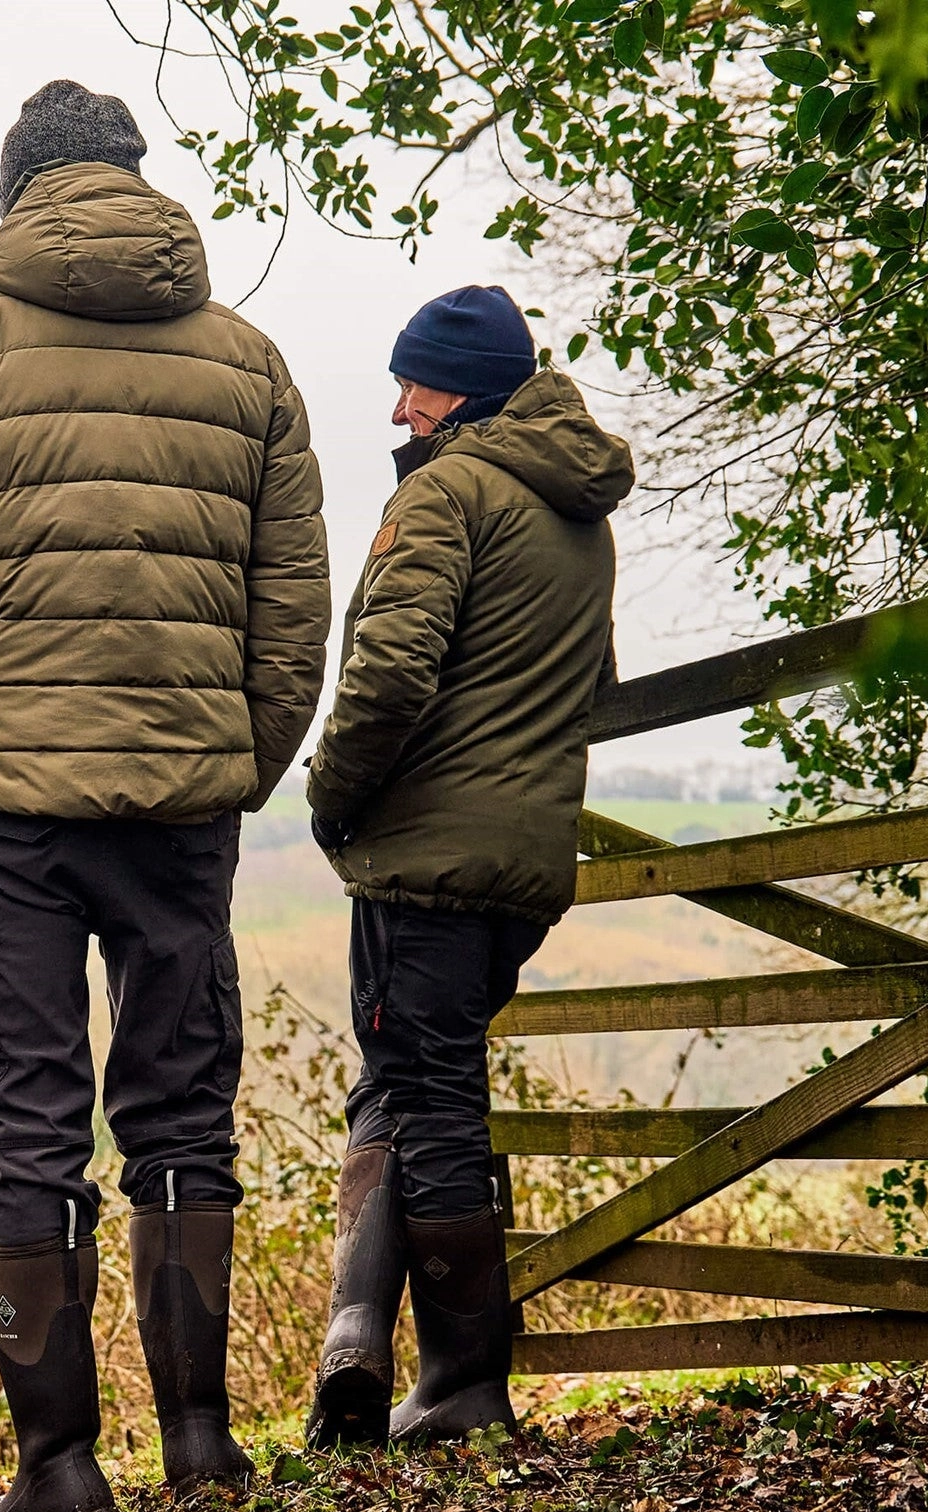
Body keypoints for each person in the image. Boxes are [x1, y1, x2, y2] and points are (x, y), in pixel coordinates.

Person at [0, 80, 330, 1512]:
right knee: (184, 1115)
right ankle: (201, 1446)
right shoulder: (249, 362)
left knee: (31, 1134)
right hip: (182, 804)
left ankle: (60, 1474)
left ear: (16, 193)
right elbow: (292, 607)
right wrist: (235, 762)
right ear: (133, 178)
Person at [303, 285, 632, 1449]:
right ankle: (358, 1342)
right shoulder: (578, 514)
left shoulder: (448, 492)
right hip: (525, 863)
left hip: (427, 859)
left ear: (463, 392)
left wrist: (332, 797)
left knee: (430, 1097)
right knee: (407, 1080)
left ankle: (458, 1380)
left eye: (415, 385)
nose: (399, 408)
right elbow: (587, 684)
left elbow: (390, 677)